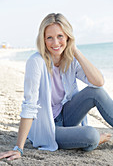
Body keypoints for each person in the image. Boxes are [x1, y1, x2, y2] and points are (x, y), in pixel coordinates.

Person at [0, 13, 112, 161]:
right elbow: (29, 105)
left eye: (60, 36)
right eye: (49, 38)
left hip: (67, 116)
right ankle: (95, 139)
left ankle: (83, 137)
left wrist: (76, 51)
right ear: (43, 40)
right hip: (48, 128)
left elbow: (98, 82)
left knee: (96, 92)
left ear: (68, 37)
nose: (55, 43)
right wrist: (18, 148)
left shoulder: (70, 60)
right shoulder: (36, 62)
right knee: (91, 135)